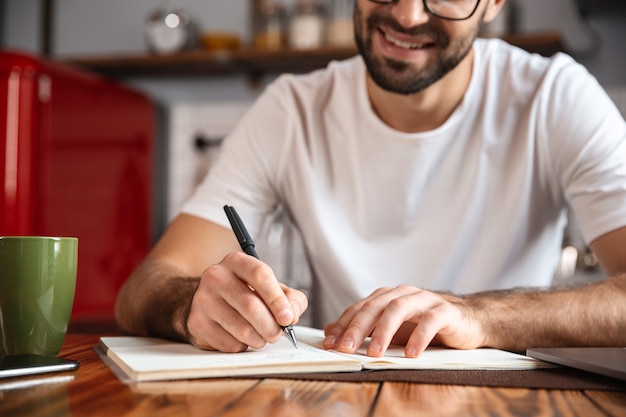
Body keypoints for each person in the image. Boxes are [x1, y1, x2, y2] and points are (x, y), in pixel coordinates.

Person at [115, 0, 626, 358]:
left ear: (493, 3)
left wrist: (480, 317)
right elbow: (142, 288)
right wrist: (193, 306)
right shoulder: (291, 109)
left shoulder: (555, 97)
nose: (407, 14)